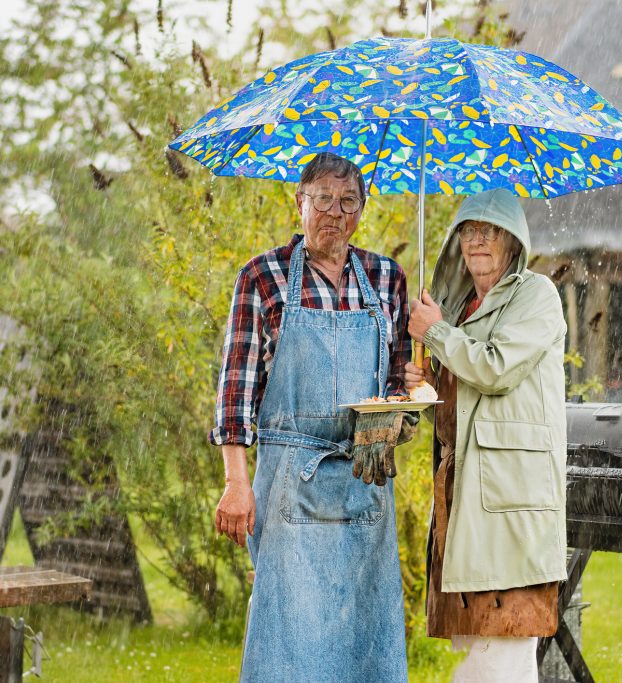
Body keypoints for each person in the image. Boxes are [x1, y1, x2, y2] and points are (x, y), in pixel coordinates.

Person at [210, 153, 411, 682]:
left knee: (364, 641)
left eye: (348, 202)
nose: (334, 213)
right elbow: (236, 391)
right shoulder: (262, 278)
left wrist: (399, 409)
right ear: (298, 203)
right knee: (289, 642)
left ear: (362, 211)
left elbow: (395, 383)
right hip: (289, 485)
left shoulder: (386, 278)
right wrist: (236, 483)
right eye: (322, 199)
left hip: (364, 478)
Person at [404, 189, 568, 682]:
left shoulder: (536, 296)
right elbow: (465, 414)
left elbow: (496, 369)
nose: (478, 240)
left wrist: (435, 334)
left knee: (502, 653)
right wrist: (428, 388)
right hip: (463, 496)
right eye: (469, 230)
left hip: (509, 501)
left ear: (512, 242)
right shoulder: (459, 308)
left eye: (490, 230)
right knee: (473, 650)